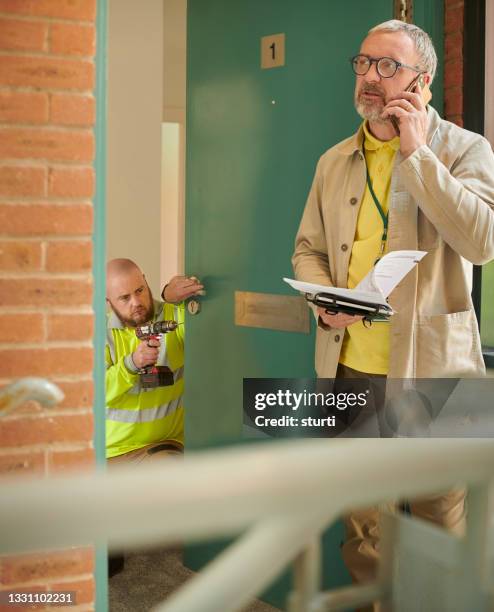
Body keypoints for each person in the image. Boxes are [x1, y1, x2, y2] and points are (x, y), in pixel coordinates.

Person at [292, 19, 494, 608]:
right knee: (363, 529)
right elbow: (307, 248)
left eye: (388, 66)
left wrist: (417, 153)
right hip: (349, 372)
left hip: (439, 373)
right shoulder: (334, 161)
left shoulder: (465, 149)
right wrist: (323, 298)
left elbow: (482, 241)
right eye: (363, 64)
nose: (370, 78)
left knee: (440, 523)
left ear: (422, 80)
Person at [105, 258, 203, 575]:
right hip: (113, 456)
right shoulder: (101, 336)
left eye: (140, 290)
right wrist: (131, 365)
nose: (136, 303)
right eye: (124, 298)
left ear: (147, 283)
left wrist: (169, 298)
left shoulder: (173, 316)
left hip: (164, 446)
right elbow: (92, 392)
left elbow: (205, 338)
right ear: (108, 302)